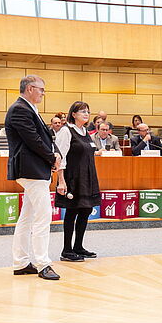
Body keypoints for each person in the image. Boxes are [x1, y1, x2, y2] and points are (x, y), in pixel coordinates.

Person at [5, 75, 61, 281]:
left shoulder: (29, 109)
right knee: (43, 215)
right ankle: (43, 263)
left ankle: (20, 262)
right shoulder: (20, 109)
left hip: (35, 169)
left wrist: (55, 154)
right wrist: (52, 157)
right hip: (30, 170)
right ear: (29, 88)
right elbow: (33, 140)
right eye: (41, 89)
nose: (43, 93)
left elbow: (44, 137)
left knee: (27, 217)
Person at [55, 101, 100, 262]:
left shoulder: (85, 131)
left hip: (87, 177)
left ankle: (78, 247)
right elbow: (60, 157)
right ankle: (67, 250)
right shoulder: (66, 131)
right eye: (82, 111)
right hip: (72, 177)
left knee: (85, 210)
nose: (86, 114)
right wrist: (61, 181)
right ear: (73, 114)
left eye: (88, 111)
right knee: (72, 211)